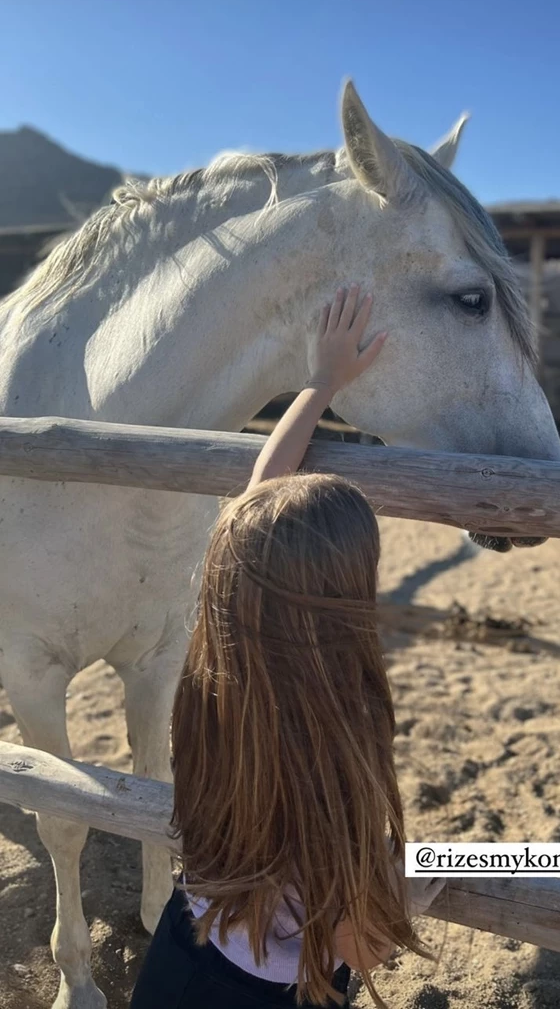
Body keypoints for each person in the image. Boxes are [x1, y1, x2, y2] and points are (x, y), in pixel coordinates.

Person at [129, 285, 445, 1009]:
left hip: (178, 963)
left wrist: (322, 384)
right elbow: (355, 941)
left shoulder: (213, 676)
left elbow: (256, 505)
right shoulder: (336, 748)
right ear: (346, 605)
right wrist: (414, 891)